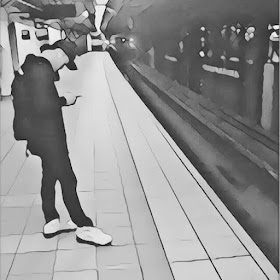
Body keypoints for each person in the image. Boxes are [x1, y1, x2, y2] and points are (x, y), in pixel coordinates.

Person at [11, 40, 112, 246]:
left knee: (49, 176)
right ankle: (84, 226)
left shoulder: (29, 68)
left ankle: (51, 221)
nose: (63, 67)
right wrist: (66, 99)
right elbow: (43, 106)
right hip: (49, 138)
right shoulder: (41, 71)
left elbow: (28, 104)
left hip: (37, 136)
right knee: (68, 180)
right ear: (58, 54)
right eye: (65, 61)